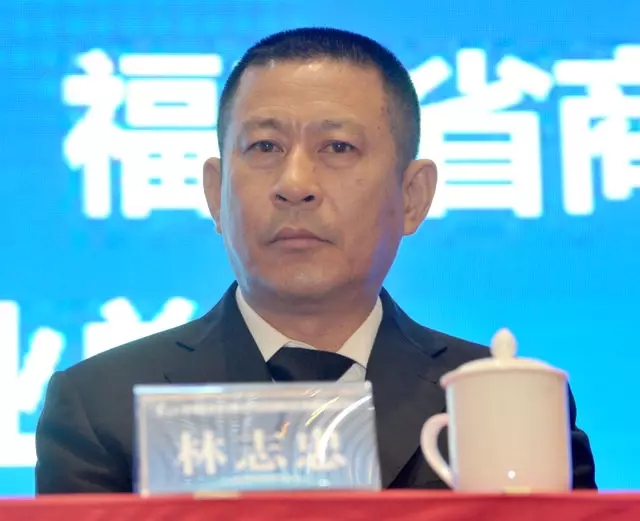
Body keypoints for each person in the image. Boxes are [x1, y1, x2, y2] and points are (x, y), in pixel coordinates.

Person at [35, 27, 597, 493]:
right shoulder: (102, 406)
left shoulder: (505, 403)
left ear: (412, 197)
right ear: (215, 192)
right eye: (265, 147)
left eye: (338, 147)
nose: (295, 183)